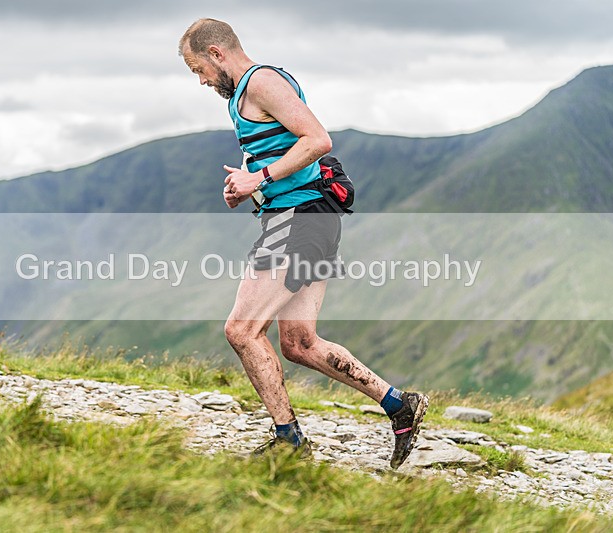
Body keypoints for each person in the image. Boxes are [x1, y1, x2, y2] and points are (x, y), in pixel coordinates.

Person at [178, 18, 428, 469]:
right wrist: (246, 185)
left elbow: (318, 139)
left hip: (301, 221)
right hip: (302, 219)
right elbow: (274, 152)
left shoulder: (262, 82)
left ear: (217, 53)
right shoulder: (241, 96)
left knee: (241, 330)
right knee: (299, 343)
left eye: (199, 69)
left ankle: (289, 441)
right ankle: (399, 405)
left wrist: (262, 177)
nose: (200, 80)